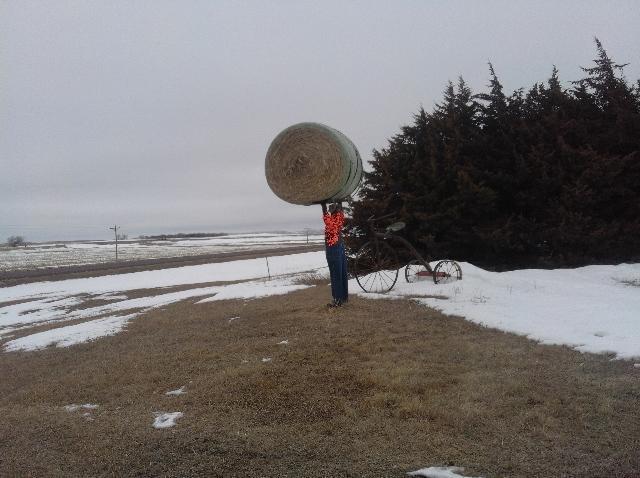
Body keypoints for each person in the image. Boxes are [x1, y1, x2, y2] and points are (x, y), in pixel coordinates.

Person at [321, 201, 348, 307]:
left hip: (333, 248)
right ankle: (343, 297)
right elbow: (340, 214)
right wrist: (340, 204)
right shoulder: (340, 218)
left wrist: (323, 208)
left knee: (335, 273)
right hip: (339, 246)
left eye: (330, 210)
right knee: (342, 273)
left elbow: (328, 222)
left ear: (332, 212)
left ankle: (337, 300)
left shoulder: (333, 221)